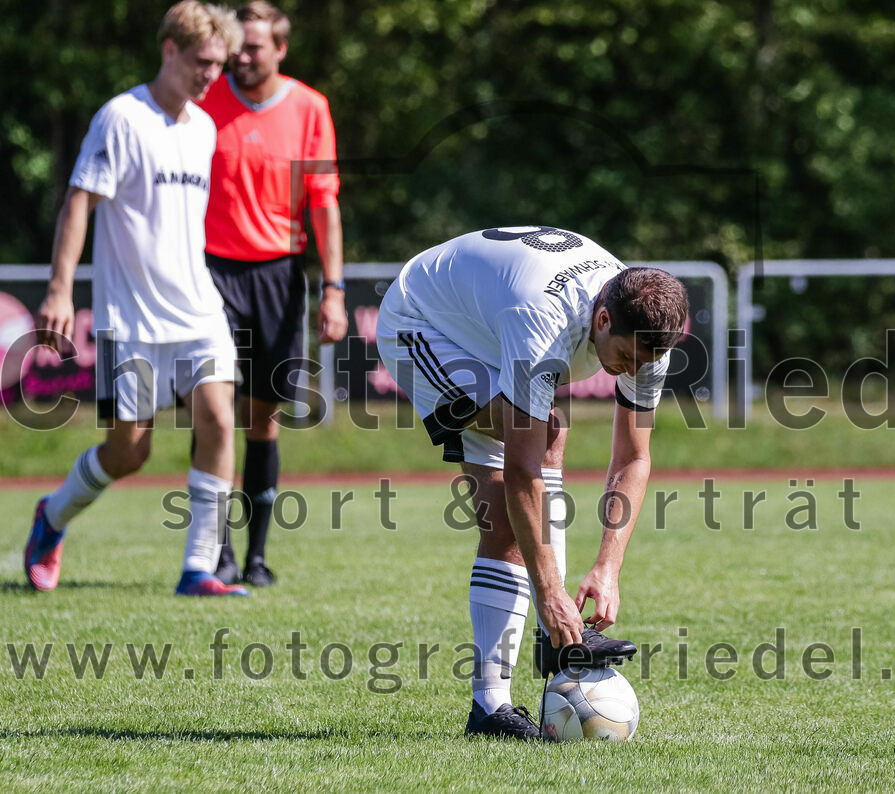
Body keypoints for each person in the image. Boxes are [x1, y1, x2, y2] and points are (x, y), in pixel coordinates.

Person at [376, 226, 689, 739]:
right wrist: (549, 593)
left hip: (485, 325)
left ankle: (507, 692)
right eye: (628, 359)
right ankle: (524, 670)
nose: (632, 371)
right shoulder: (542, 320)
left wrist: (608, 567)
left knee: (508, 521)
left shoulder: (648, 336)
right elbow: (524, 465)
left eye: (644, 363)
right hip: (423, 323)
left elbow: (634, 456)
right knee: (544, 436)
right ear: (603, 318)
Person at [25, 1, 248, 597]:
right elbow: (79, 201)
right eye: (201, 61)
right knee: (130, 451)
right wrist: (59, 288)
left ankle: (198, 568)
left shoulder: (203, 128)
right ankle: (52, 516)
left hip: (199, 306)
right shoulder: (120, 118)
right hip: (133, 316)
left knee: (220, 419)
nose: (210, 75)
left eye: (218, 66)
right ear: (168, 50)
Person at [199, 0, 347, 588]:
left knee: (264, 419)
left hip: (281, 276)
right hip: (209, 272)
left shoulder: (310, 108)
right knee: (212, 414)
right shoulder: (204, 99)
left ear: (280, 48)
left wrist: (332, 289)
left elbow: (324, 202)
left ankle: (254, 558)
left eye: (253, 45)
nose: (241, 55)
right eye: (236, 45)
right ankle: (214, 556)